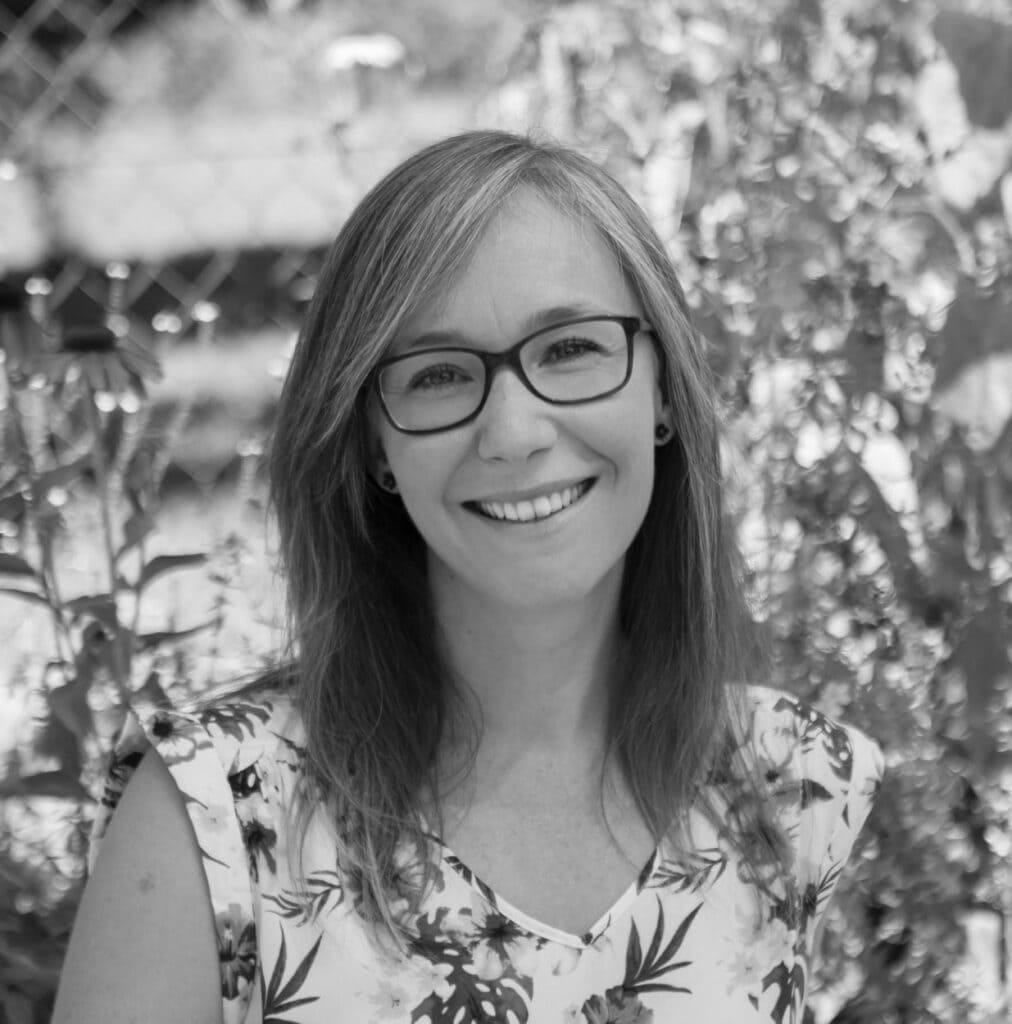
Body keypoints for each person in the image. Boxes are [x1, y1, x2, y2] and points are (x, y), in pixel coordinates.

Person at [53, 130, 883, 1024]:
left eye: (569, 349)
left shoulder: (794, 785)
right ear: (373, 441)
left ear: (665, 392)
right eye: (441, 374)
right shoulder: (210, 821)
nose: (515, 431)